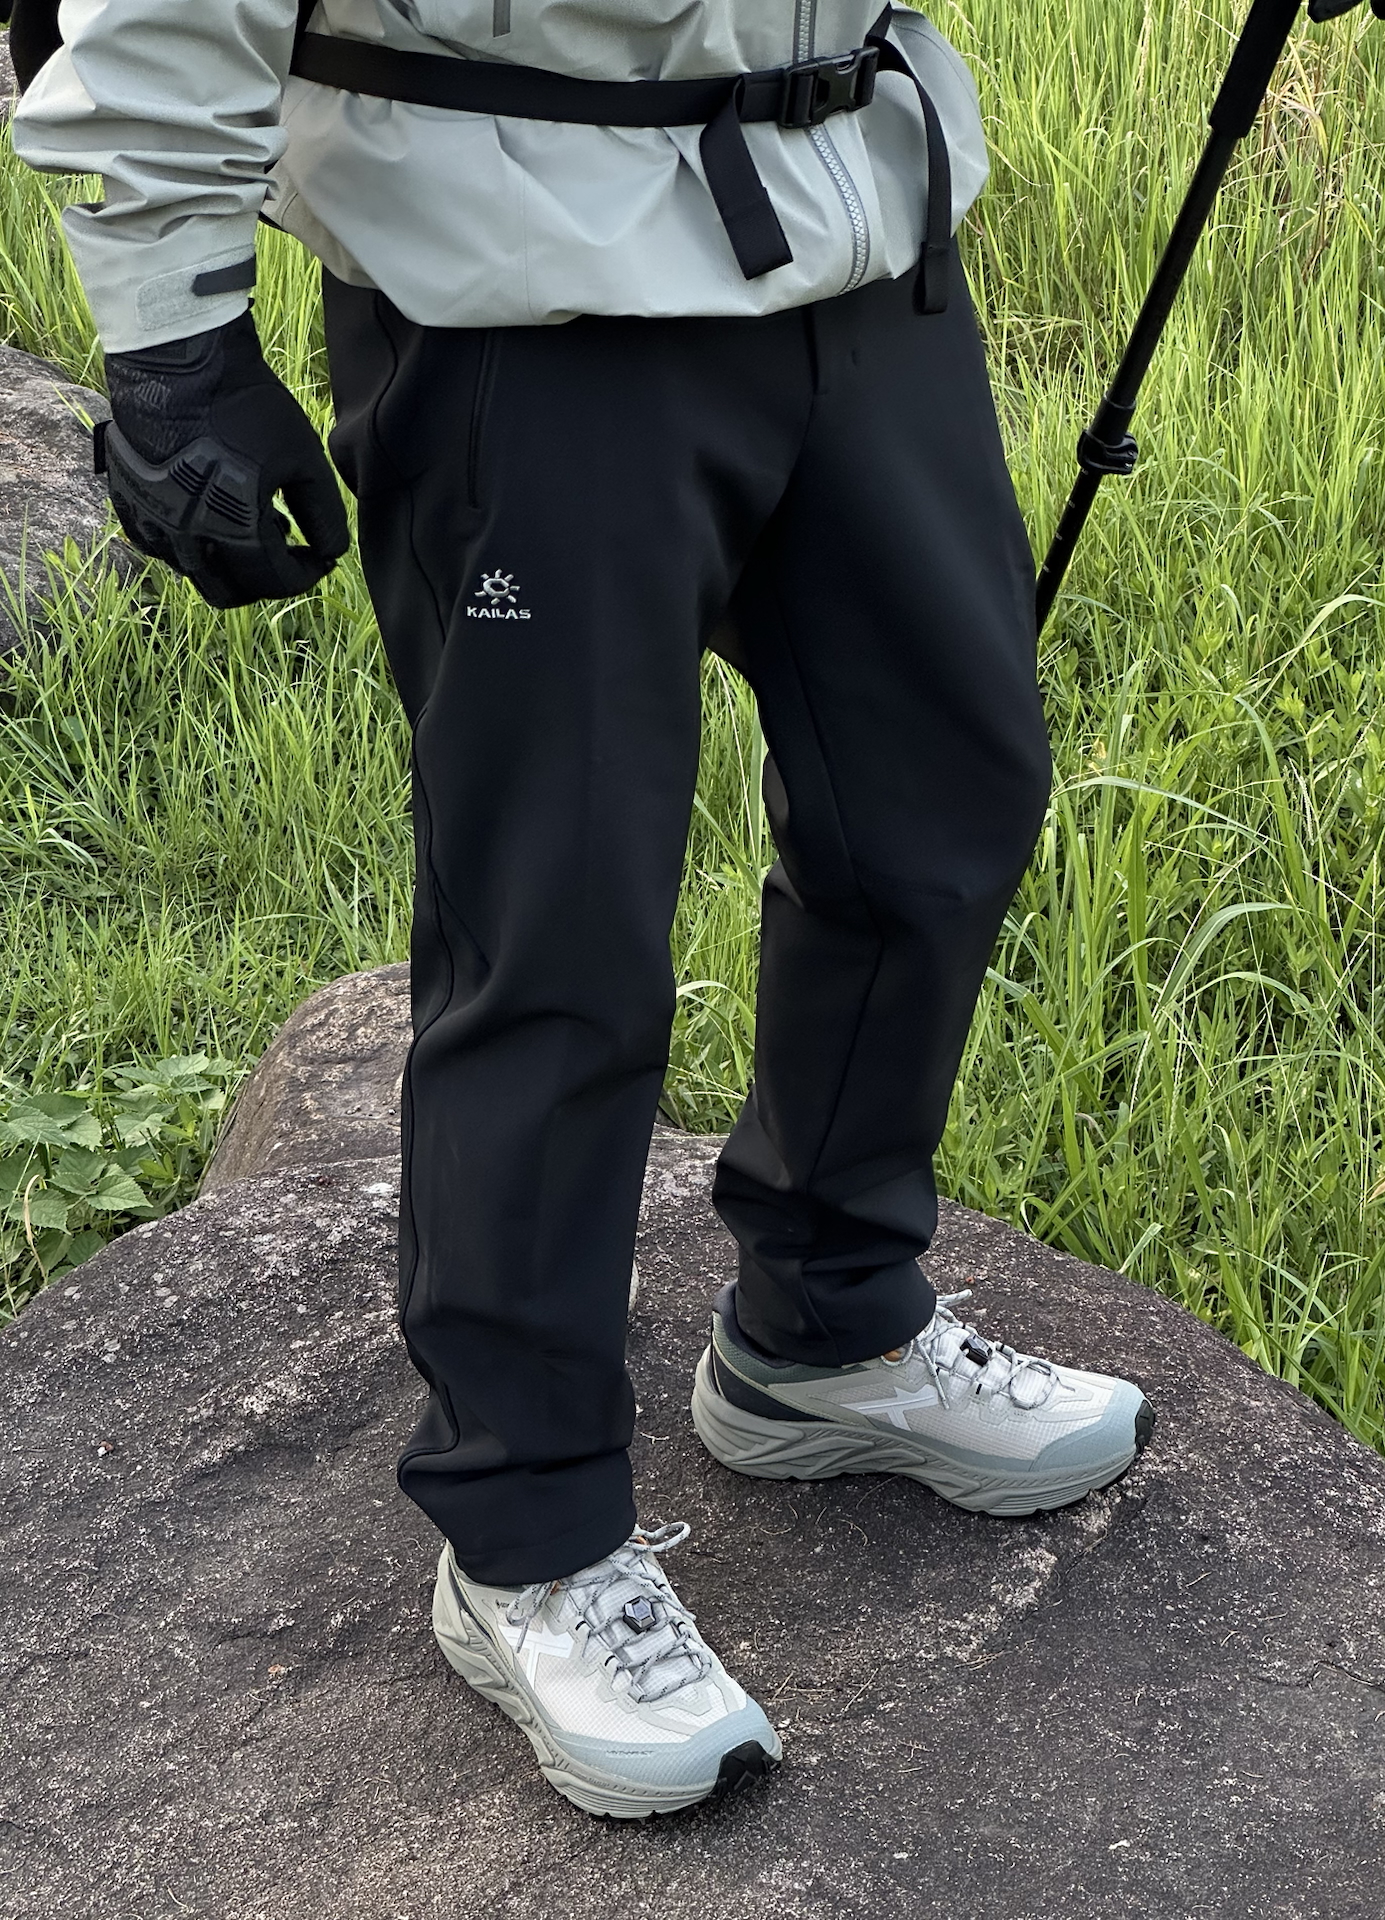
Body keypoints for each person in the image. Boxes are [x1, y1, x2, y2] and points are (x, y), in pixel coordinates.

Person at [12, 0, 1154, 1820]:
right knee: (558, 922)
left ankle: (825, 1326)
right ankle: (526, 1529)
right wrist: (170, 334)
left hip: (852, 210)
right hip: (518, 273)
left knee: (941, 803)